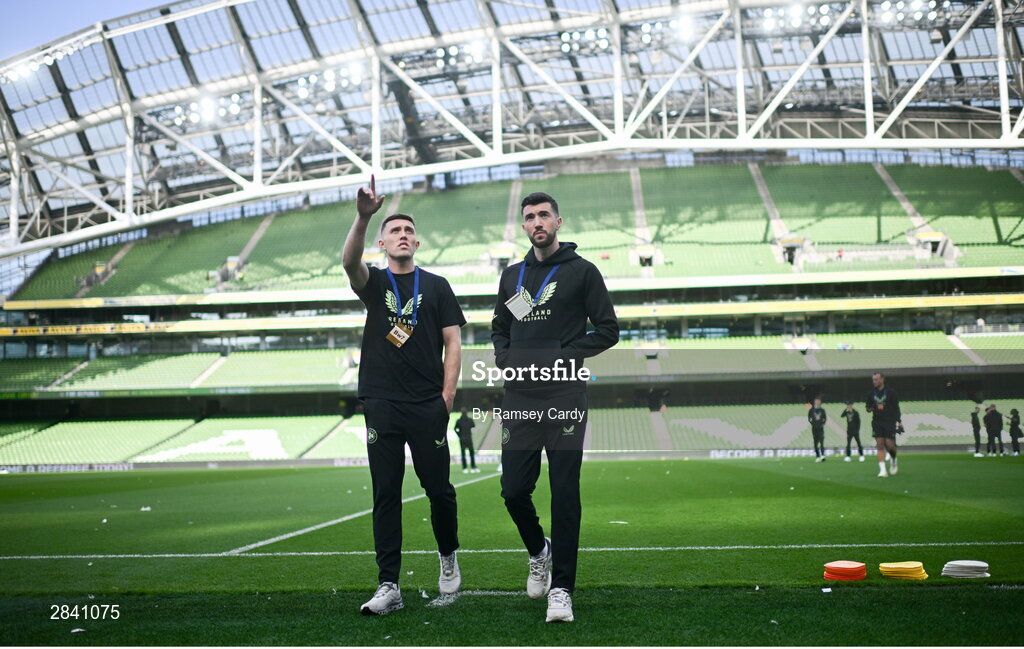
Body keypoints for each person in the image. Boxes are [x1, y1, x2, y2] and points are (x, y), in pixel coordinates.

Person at [492, 191, 619, 623]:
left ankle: (562, 589)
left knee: (565, 494)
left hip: (566, 397)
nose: (537, 222)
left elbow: (608, 330)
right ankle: (538, 551)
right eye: (529, 217)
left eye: (544, 215)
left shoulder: (583, 272)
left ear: (558, 222)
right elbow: (500, 328)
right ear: (524, 227)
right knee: (512, 492)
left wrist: (565, 354)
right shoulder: (513, 277)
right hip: (520, 399)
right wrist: (504, 358)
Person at [342, 175, 466, 615]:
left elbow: (453, 342)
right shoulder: (374, 283)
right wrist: (362, 217)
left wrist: (446, 398)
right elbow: (348, 262)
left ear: (418, 242)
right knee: (386, 494)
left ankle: (447, 554)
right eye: (395, 230)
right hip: (381, 402)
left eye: (409, 231)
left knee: (439, 490)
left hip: (426, 403)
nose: (403, 235)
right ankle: (388, 584)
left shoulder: (436, 286)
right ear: (382, 242)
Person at [866, 372, 902, 477]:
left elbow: (896, 407)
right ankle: (882, 470)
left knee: (890, 445)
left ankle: (893, 459)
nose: (874, 382)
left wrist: (899, 421)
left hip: (889, 421)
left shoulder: (891, 392)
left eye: (876, 379)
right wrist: (871, 407)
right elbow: (868, 407)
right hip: (877, 421)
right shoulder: (871, 393)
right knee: (880, 445)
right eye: (873, 380)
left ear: (882, 379)